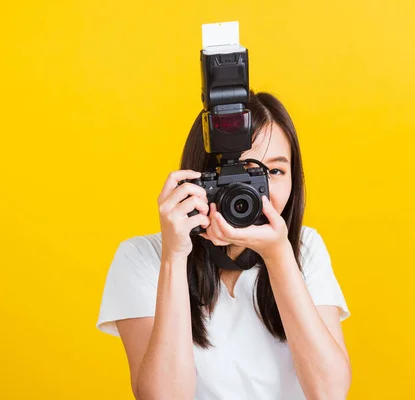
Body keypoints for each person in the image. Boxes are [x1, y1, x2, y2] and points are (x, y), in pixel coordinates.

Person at [96, 90, 352, 400]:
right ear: (202, 176)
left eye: (274, 171)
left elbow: (329, 393)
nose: (257, 192)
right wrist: (174, 258)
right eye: (242, 173)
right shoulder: (141, 258)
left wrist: (278, 255)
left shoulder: (303, 248)